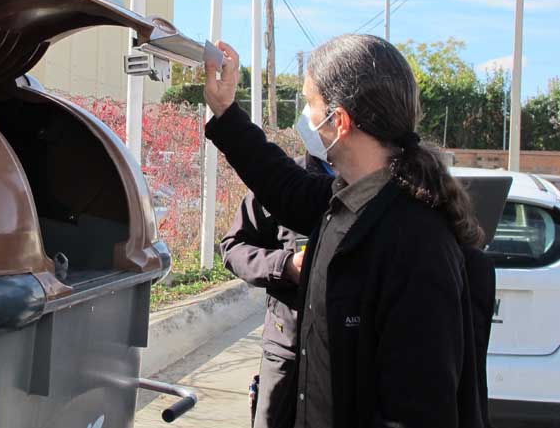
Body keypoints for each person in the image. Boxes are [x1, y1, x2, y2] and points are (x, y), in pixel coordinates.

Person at [202, 34, 488, 428]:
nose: (304, 115)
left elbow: (418, 410)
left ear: (339, 121)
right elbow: (282, 184)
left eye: (309, 102)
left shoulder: (416, 245)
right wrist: (225, 111)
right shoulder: (346, 202)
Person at [220, 155, 331, 428]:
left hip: (345, 357)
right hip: (286, 352)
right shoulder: (281, 180)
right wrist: (284, 266)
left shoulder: (374, 183)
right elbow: (232, 248)